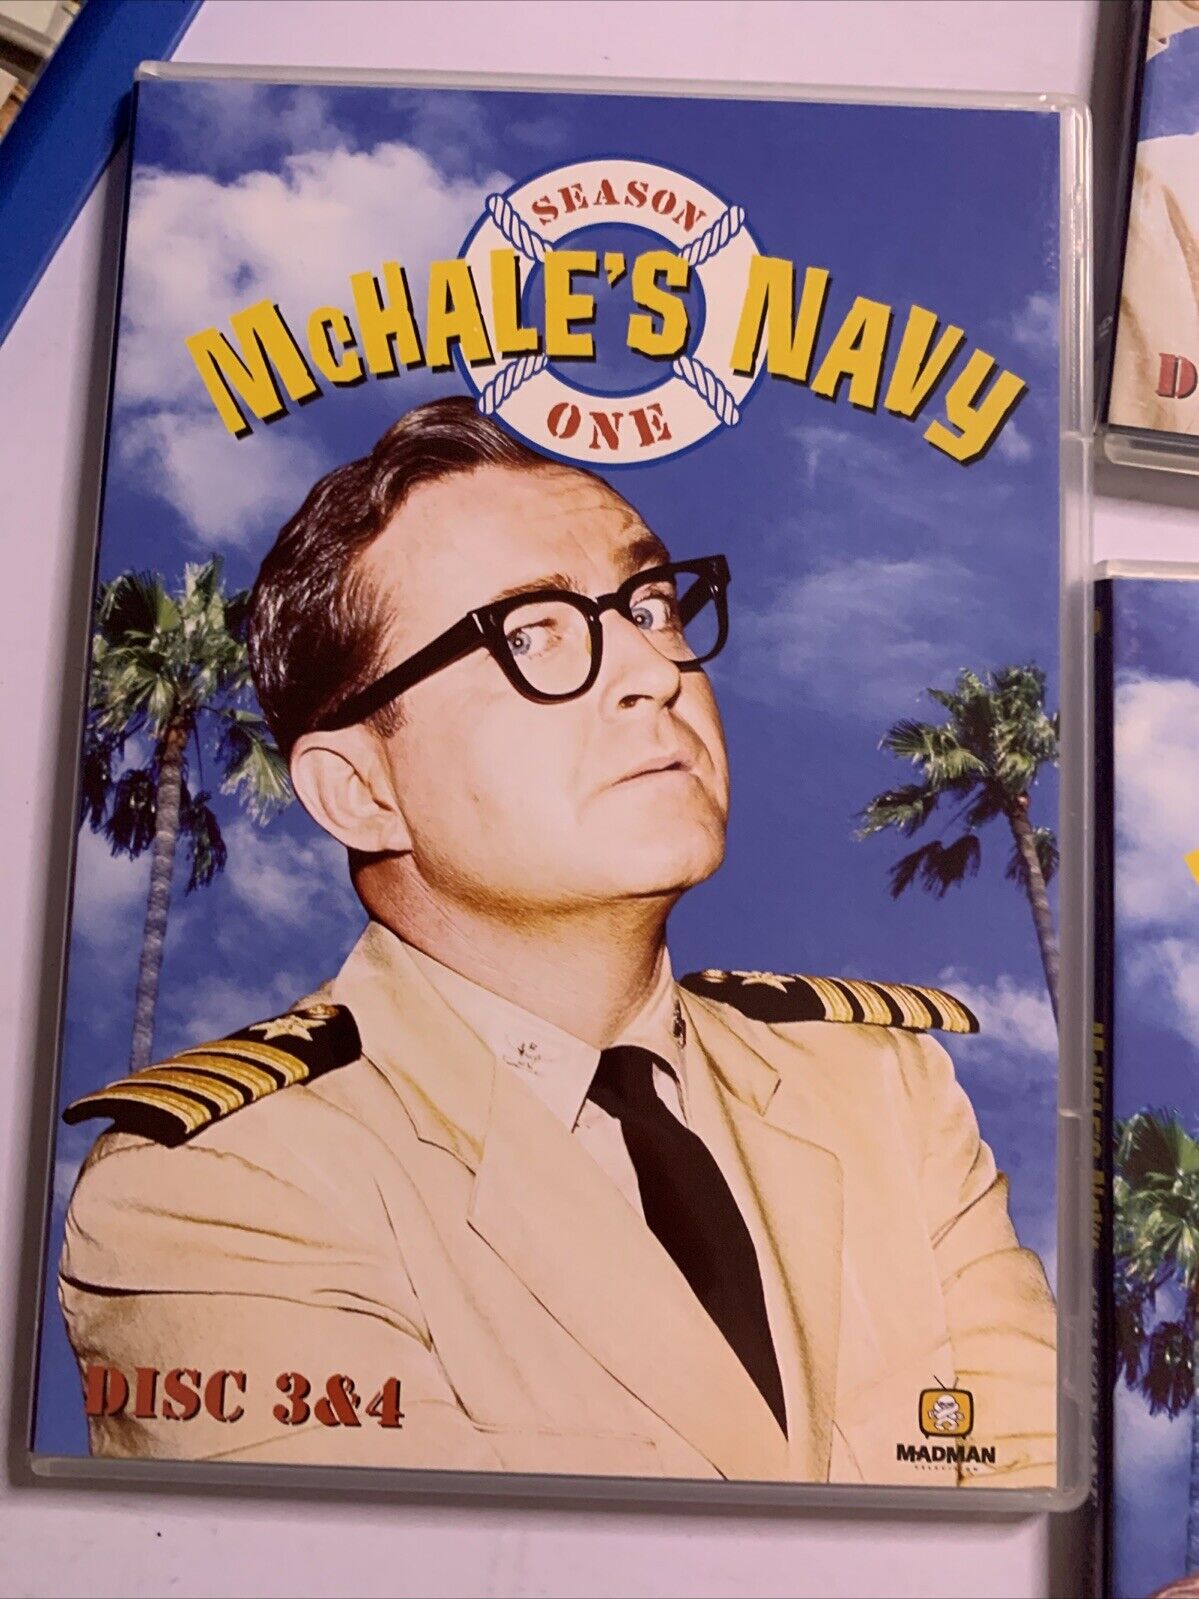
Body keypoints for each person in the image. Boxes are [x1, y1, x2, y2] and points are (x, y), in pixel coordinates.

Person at [59, 396, 1056, 1487]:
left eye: (652, 604)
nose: (652, 670)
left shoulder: (878, 1090)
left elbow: (1034, 1505)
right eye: (530, 635)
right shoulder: (218, 1189)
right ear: (359, 790)